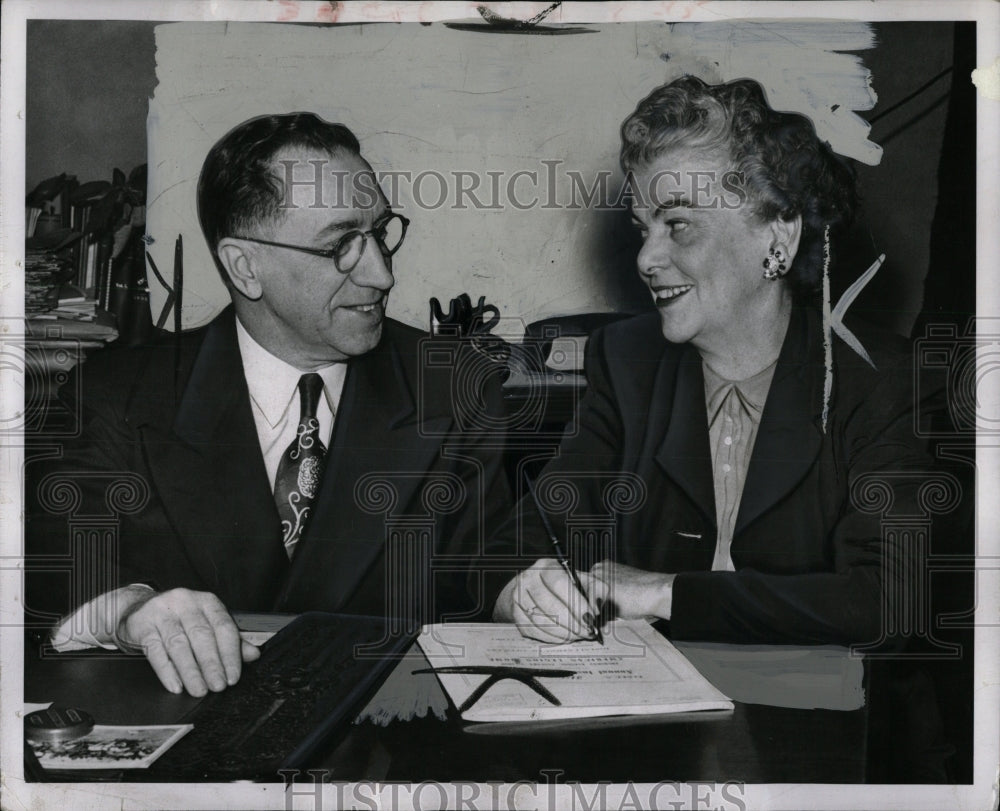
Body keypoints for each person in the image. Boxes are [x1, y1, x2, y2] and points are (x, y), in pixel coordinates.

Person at [27, 113, 510, 696]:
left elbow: (491, 582)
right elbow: (49, 565)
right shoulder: (113, 396)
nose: (382, 274)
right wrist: (130, 611)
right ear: (244, 267)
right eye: (341, 246)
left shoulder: (457, 387)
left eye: (380, 232)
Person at [493, 76, 938, 646]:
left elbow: (890, 601)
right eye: (643, 229)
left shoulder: (875, 378)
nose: (648, 258)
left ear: (776, 236)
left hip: (824, 719)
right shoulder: (626, 363)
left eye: (678, 224)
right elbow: (516, 547)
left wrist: (664, 593)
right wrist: (524, 593)